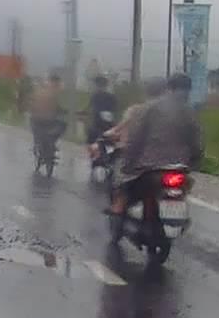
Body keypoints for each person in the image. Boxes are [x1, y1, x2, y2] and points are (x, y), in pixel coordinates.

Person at [109, 73, 204, 217]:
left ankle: (118, 211)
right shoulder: (190, 112)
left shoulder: (150, 108)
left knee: (124, 188)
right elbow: (196, 141)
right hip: (180, 166)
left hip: (150, 166)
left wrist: (128, 163)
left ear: (168, 88)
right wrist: (194, 161)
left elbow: (136, 138)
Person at [29, 72, 66, 156]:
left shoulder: (40, 89)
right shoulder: (54, 92)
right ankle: (49, 141)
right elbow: (58, 107)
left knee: (35, 127)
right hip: (48, 120)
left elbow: (32, 104)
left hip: (37, 120)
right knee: (62, 124)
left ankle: (39, 143)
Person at [85, 75, 119, 149]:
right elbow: (115, 112)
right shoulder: (112, 97)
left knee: (92, 148)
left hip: (97, 128)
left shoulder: (95, 96)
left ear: (97, 85)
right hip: (109, 128)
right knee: (109, 149)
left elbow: (89, 109)